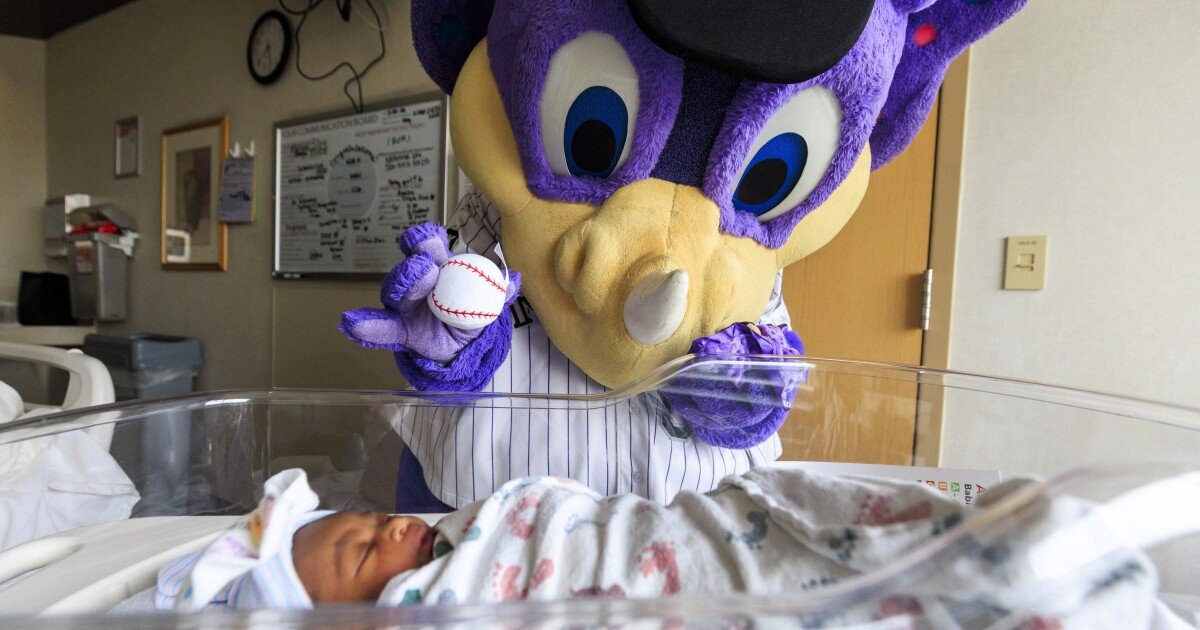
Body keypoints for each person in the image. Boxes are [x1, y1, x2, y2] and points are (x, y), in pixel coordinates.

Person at [157, 469, 1167, 628]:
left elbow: (574, 512)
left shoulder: (487, 521)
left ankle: (1004, 548)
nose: (391, 532)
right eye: (359, 556)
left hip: (691, 532)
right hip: (658, 594)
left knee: (815, 527)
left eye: (371, 518)